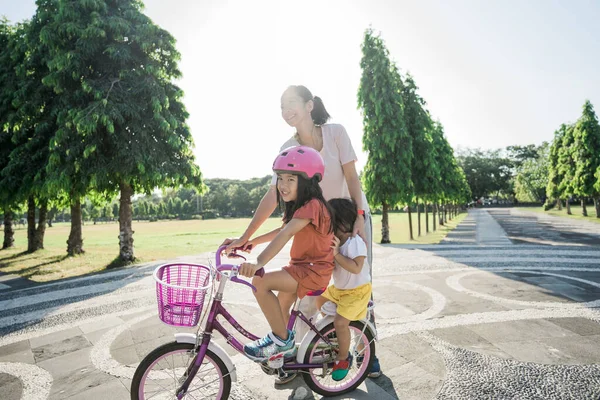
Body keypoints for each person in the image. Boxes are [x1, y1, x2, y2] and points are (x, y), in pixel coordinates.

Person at [222, 85, 382, 381]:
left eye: (291, 103)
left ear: (310, 105)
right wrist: (246, 238)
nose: (285, 110)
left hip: (351, 218)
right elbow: (274, 196)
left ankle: (366, 351)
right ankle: (292, 356)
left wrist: (359, 216)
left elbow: (351, 176)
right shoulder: (288, 147)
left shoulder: (335, 132)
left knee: (357, 284)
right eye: (281, 105)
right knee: (306, 295)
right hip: (316, 222)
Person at [238, 145, 335, 361]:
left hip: (312, 272)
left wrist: (258, 262)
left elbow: (286, 234)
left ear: (308, 181)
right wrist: (253, 242)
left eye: (291, 179)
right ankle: (284, 355)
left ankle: (282, 343)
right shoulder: (301, 206)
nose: (283, 185)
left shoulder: (313, 205)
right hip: (300, 268)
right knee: (280, 314)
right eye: (280, 178)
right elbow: (282, 229)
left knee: (260, 282)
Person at [315, 198, 372, 381]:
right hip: (340, 289)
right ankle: (335, 335)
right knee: (319, 298)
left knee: (341, 323)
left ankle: (343, 358)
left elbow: (355, 267)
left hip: (357, 292)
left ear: (341, 222)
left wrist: (337, 254)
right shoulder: (337, 241)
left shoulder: (355, 242)